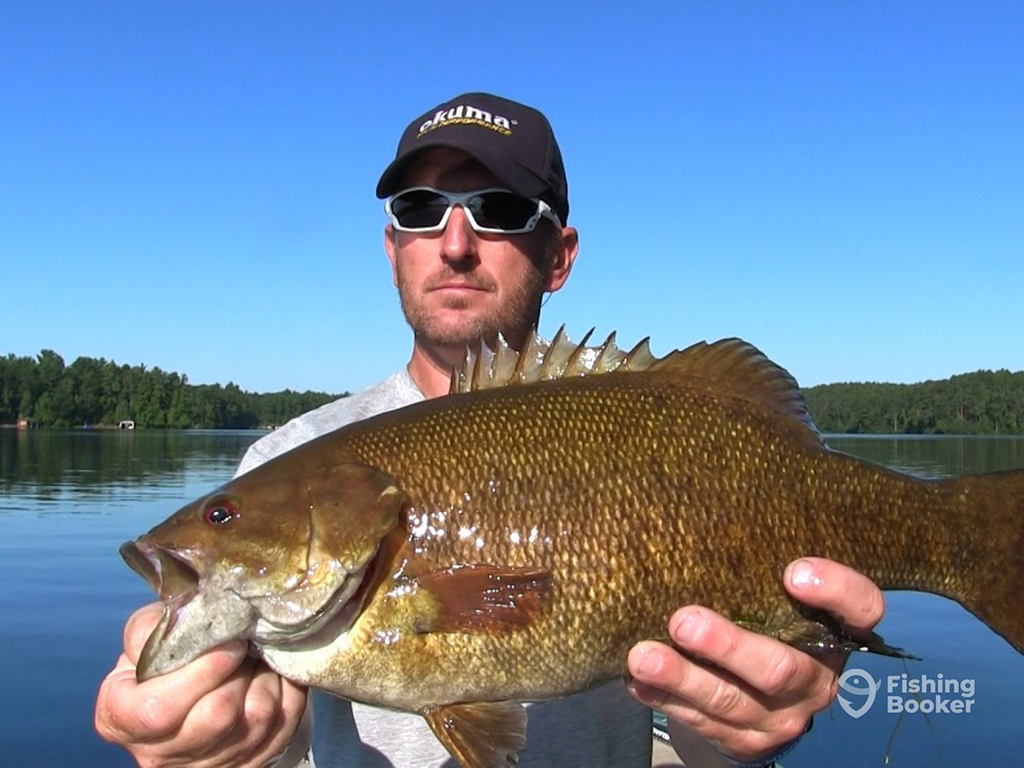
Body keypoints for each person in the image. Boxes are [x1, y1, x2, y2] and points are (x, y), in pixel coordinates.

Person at [96, 93, 886, 767]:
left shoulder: (649, 418)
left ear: (558, 256)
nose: (455, 242)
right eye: (420, 209)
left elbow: (705, 721)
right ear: (392, 246)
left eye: (501, 211)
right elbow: (271, 717)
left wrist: (748, 731)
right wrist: (214, 731)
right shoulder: (286, 456)